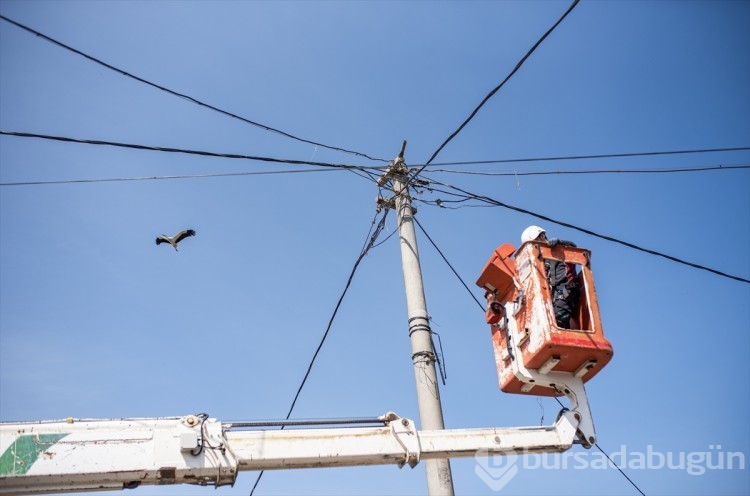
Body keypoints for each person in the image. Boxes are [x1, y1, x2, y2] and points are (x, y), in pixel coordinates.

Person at [521, 225, 580, 329]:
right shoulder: (540, 263)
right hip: (553, 297)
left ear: (542, 236)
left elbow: (574, 249)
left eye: (535, 243)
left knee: (558, 320)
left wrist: (560, 243)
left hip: (566, 292)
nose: (535, 247)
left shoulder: (559, 251)